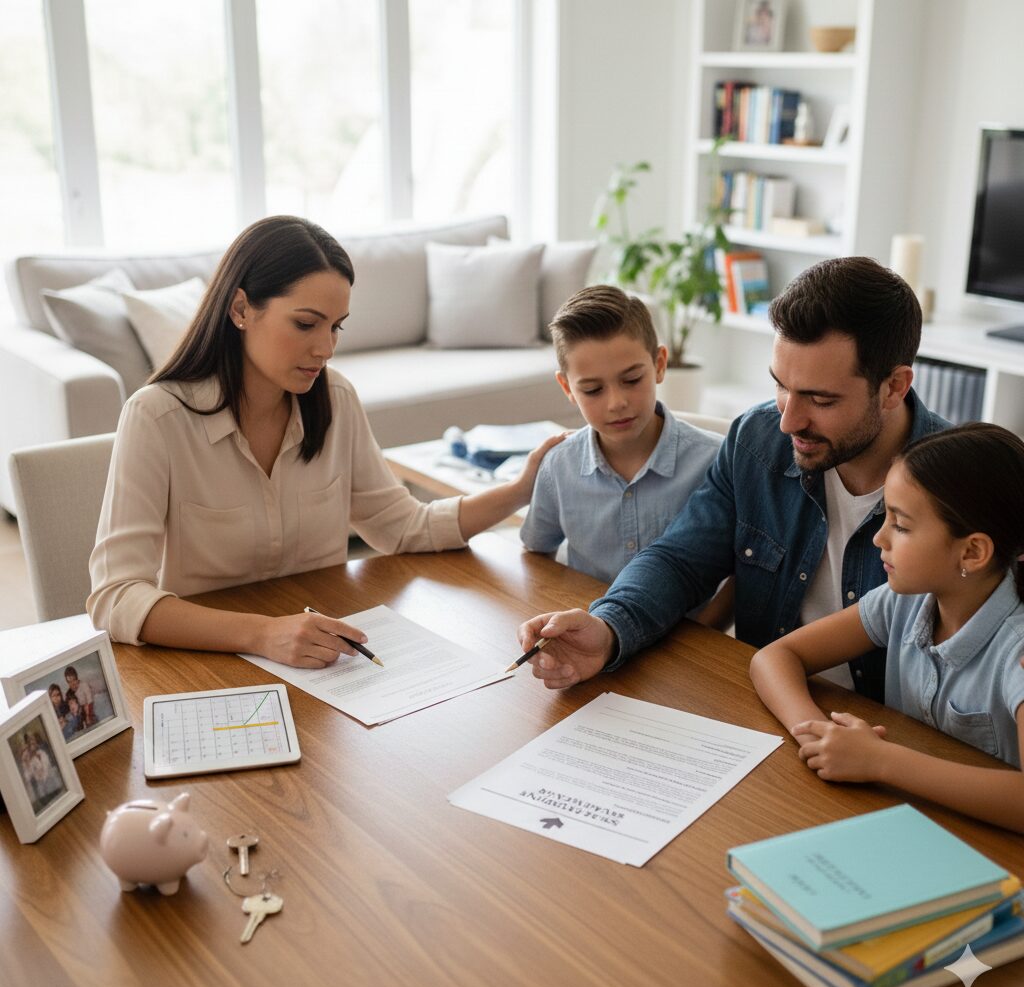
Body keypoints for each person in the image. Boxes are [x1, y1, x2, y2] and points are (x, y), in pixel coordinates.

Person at [88, 216, 563, 668]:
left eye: (335, 326)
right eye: (305, 323)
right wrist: (263, 634)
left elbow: (404, 527)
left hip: (322, 661)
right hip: (205, 663)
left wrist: (522, 489)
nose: (326, 348)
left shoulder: (334, 398)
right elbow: (116, 598)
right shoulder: (157, 417)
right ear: (240, 309)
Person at [516, 257, 949, 695]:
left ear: (894, 387)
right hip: (762, 700)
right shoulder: (755, 439)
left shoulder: (965, 487)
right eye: (781, 386)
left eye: (820, 399)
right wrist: (608, 628)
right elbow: (681, 559)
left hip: (885, 732)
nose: (788, 421)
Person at [750, 423, 1024, 833]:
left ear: (972, 551)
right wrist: (817, 734)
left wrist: (879, 760)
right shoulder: (906, 600)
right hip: (907, 822)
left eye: (901, 525)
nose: (879, 538)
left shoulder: (1016, 650)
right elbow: (774, 657)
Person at [520, 285, 721, 585]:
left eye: (631, 379)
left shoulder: (715, 462)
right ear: (567, 388)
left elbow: (740, 570)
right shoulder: (558, 467)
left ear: (659, 365)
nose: (616, 403)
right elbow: (537, 551)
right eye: (593, 390)